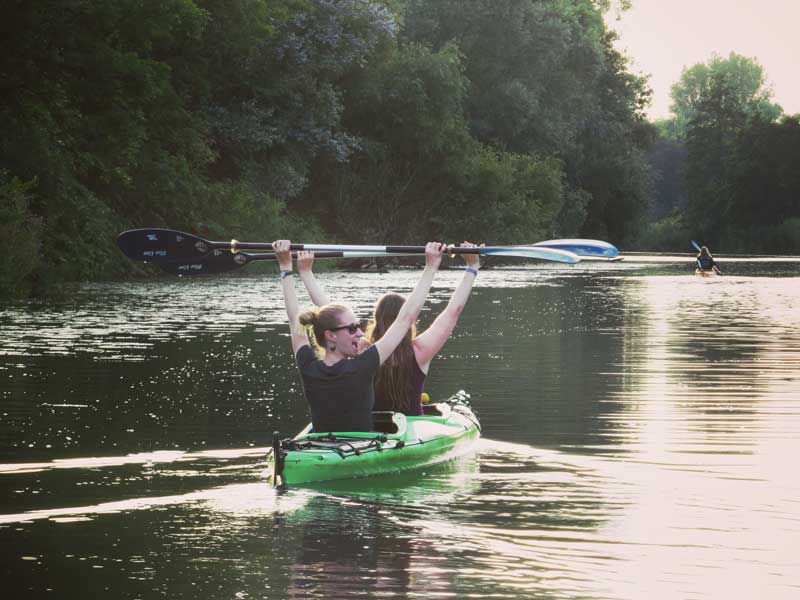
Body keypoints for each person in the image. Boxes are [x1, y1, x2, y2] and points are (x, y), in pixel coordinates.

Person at [274, 239, 445, 433]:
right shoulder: (364, 364)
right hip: (360, 448)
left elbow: (293, 319)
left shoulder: (308, 366)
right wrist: (431, 267)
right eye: (353, 328)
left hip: (321, 447)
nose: (361, 332)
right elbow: (405, 318)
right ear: (331, 336)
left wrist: (285, 267)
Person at [297, 242, 481, 416]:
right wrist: (472, 268)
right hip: (412, 429)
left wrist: (306, 272)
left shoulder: (364, 350)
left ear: (376, 320)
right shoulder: (420, 350)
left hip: (374, 428)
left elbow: (329, 315)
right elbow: (452, 313)